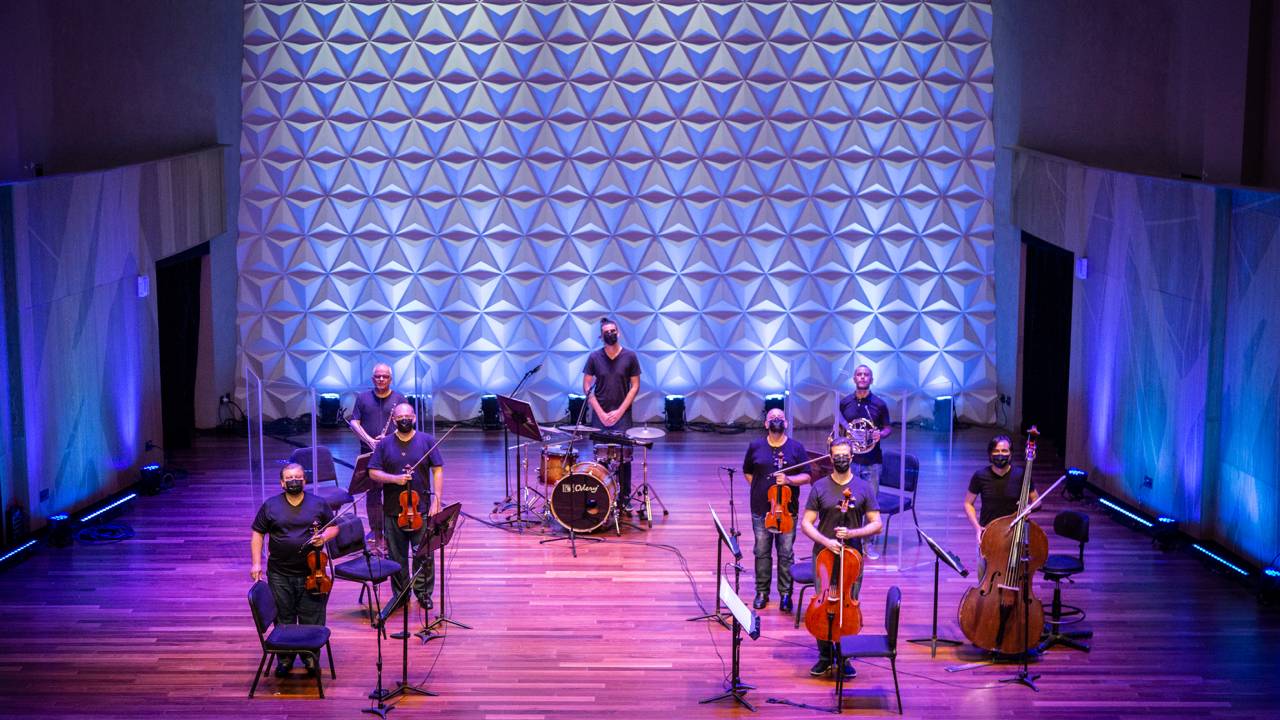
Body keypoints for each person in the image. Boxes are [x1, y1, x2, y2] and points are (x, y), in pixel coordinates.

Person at [800, 439, 882, 679]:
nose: (841, 458)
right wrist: (826, 542)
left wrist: (853, 533)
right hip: (824, 557)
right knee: (823, 603)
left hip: (852, 558)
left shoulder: (864, 487)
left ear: (852, 457)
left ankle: (845, 655)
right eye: (837, 455)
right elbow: (806, 523)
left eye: (845, 455)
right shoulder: (819, 487)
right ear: (830, 457)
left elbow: (877, 524)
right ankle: (825, 656)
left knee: (849, 603)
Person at [250, 463, 339, 678]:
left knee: (312, 617)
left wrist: (324, 537)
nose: (293, 480)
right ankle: (286, 658)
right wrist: (256, 563)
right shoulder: (270, 506)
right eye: (289, 477)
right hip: (279, 573)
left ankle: (310, 657)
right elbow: (258, 534)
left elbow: (334, 527)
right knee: (284, 617)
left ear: (304, 481)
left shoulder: (318, 504)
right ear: (282, 483)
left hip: (313, 572)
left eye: (298, 477)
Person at [369, 403, 444, 622]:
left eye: (407, 416)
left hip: (421, 508)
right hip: (393, 509)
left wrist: (437, 500)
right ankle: (401, 593)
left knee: (424, 553)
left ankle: (423, 593)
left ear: (414, 418)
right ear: (393, 420)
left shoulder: (426, 441)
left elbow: (437, 469)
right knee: (396, 555)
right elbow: (373, 472)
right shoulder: (384, 445)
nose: (404, 419)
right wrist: (394, 479)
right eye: (399, 416)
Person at [742, 408, 812, 612]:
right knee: (762, 552)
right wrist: (762, 491)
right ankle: (762, 592)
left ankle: (785, 594)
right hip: (761, 510)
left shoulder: (796, 448)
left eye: (780, 417)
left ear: (786, 424)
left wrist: (789, 480)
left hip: (788, 511)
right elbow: (748, 472)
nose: (776, 420)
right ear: (766, 424)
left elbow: (807, 476)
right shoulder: (755, 446)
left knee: (786, 553)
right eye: (772, 418)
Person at [583, 317, 641, 508]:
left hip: (622, 416)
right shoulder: (594, 357)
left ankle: (624, 498)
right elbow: (586, 386)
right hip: (600, 416)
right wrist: (600, 413)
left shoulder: (630, 356)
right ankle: (604, 497)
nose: (610, 334)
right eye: (606, 332)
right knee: (601, 458)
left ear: (619, 332)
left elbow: (635, 386)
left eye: (613, 330)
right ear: (601, 336)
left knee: (624, 457)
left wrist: (620, 411)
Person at [349, 363, 406, 550]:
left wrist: (388, 438)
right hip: (369, 453)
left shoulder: (399, 398)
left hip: (392, 453)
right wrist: (370, 440)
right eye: (378, 376)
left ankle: (391, 532)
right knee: (372, 495)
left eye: (385, 376)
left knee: (393, 493)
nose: (381, 379)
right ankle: (376, 532)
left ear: (391, 378)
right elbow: (354, 422)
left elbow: (407, 424)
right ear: (372, 378)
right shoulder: (363, 398)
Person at [837, 364, 891, 559]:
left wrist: (880, 434)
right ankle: (850, 541)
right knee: (847, 502)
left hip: (872, 461)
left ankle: (868, 544)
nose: (862, 377)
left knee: (870, 505)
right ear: (854, 378)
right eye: (859, 374)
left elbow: (887, 428)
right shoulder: (844, 403)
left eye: (866, 374)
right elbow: (840, 427)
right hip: (850, 462)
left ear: (871, 379)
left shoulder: (879, 404)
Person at [963, 435, 1038, 575]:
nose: (1000, 455)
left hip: (1014, 534)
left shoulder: (1021, 475)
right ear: (990, 454)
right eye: (996, 451)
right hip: (988, 532)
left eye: (1004, 451)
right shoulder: (980, 476)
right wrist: (977, 528)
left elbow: (1036, 501)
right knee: (985, 576)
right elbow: (968, 503)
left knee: (1016, 575)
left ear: (1010, 454)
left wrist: (1029, 508)